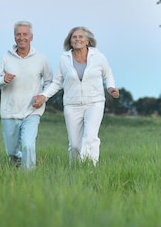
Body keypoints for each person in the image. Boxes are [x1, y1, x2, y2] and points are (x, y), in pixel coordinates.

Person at [33, 26, 119, 166]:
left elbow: (107, 74)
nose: (77, 39)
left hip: (94, 102)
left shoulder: (98, 57)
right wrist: (44, 96)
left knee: (90, 138)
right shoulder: (64, 59)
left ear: (87, 41)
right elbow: (56, 82)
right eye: (74, 37)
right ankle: (75, 169)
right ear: (70, 41)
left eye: (81, 37)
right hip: (72, 105)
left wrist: (110, 87)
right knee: (74, 145)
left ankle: (91, 170)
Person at [0, 21, 52, 170]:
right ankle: (18, 168)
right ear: (14, 37)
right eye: (18, 34)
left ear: (31, 37)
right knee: (11, 153)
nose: (21, 37)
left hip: (32, 111)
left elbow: (50, 82)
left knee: (29, 146)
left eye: (25, 34)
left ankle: (28, 179)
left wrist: (43, 96)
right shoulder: (6, 57)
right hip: (9, 111)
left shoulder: (41, 58)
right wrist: (3, 79)